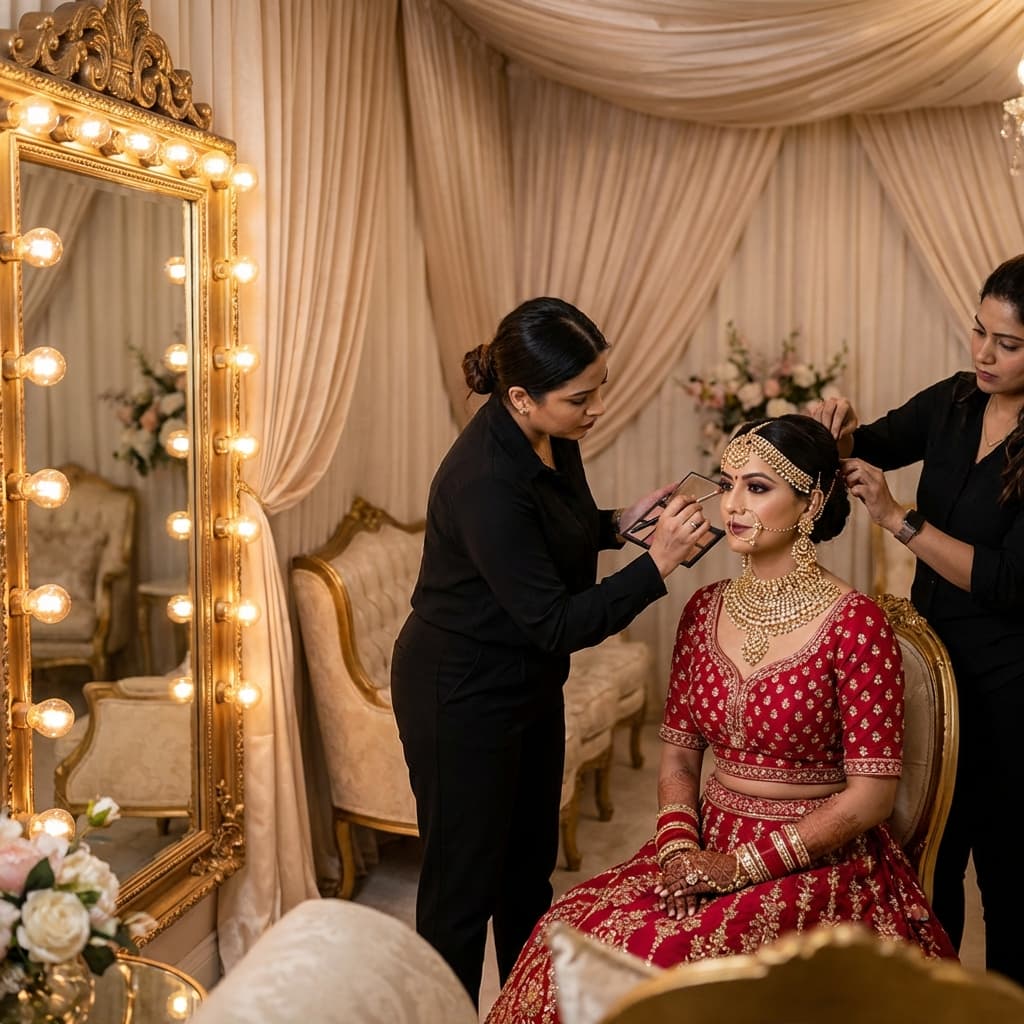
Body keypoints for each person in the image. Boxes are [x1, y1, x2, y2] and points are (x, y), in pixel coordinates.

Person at [485, 414, 957, 1024]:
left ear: (811, 502)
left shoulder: (855, 624)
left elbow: (870, 798)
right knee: (568, 939)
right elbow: (681, 756)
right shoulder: (703, 609)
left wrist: (739, 868)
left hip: (817, 858)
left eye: (757, 487)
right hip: (707, 837)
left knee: (669, 971)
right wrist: (680, 847)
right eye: (728, 483)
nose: (731, 505)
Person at [390, 296, 715, 1007]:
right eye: (580, 397)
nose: (594, 408)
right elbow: (556, 621)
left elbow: (554, 532)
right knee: (462, 885)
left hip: (527, 679)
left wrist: (621, 523)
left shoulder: (552, 438)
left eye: (598, 388)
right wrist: (656, 564)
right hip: (460, 689)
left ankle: (525, 1010)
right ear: (519, 397)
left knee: (527, 871)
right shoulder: (482, 479)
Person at [811, 254, 1024, 986]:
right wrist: (836, 429)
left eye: (1009, 343)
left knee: (1008, 882)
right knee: (925, 863)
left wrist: (901, 522)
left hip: (1009, 687)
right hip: (932, 680)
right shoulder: (955, 402)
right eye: (979, 331)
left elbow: (1007, 581)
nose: (984, 354)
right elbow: (873, 444)